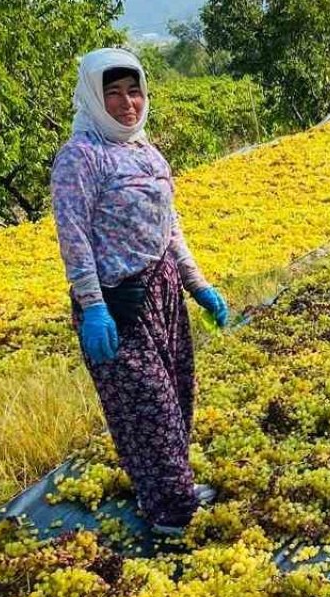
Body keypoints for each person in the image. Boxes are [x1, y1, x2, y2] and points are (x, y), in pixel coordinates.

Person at [50, 48, 228, 536]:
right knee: (147, 409)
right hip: (116, 303)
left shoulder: (147, 152)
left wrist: (199, 286)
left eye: (134, 91)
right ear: (93, 97)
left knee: (176, 397)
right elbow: (74, 235)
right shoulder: (81, 157)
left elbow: (170, 230)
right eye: (113, 93)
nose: (127, 103)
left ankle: (173, 489)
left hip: (163, 291)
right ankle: (172, 516)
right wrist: (92, 306)